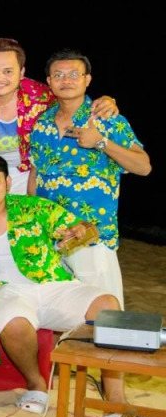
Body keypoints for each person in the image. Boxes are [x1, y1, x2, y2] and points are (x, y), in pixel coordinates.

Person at [0, 152, 124, 416]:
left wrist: (81, 230)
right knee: (13, 322)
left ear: (7, 182)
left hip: (54, 286)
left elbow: (87, 229)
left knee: (107, 304)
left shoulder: (35, 207)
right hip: (6, 292)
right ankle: (36, 384)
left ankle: (116, 398)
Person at [30, 49, 150, 305]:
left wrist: (101, 142)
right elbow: (35, 176)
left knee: (104, 315)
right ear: (49, 82)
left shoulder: (107, 119)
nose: (66, 80)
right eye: (58, 75)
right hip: (53, 236)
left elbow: (143, 166)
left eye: (75, 74)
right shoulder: (41, 123)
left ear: (88, 79)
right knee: (61, 316)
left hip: (92, 236)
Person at [0, 38, 118, 195]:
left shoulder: (40, 95)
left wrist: (107, 101)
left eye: (8, 71)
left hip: (27, 171)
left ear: (21, 72)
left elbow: (71, 100)